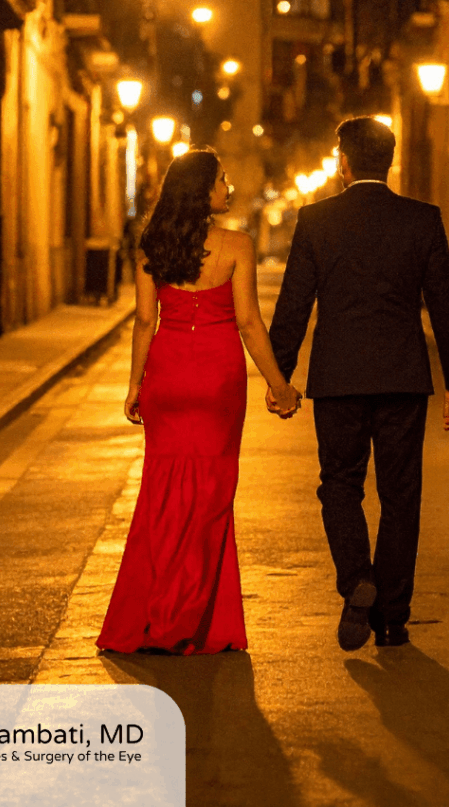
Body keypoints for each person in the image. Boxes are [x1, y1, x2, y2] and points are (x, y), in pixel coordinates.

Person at [267, 116, 449, 651]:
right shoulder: (422, 220)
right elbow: (444, 304)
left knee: (339, 484)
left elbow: (294, 305)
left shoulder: (316, 221)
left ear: (344, 161)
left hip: (337, 378)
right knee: (401, 496)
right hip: (403, 376)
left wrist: (278, 375)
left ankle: (357, 579)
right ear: (390, 160)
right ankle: (393, 618)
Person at [97, 149, 301, 655]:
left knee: (161, 495)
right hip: (217, 376)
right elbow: (250, 323)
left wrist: (135, 384)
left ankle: (153, 613)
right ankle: (190, 617)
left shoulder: (153, 245)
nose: (228, 187)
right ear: (202, 191)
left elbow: (145, 321)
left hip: (167, 371)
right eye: (221, 180)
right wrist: (280, 387)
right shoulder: (237, 245)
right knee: (212, 497)